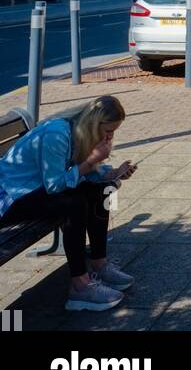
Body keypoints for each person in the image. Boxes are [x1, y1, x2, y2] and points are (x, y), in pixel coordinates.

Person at [0, 93, 138, 311]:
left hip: (34, 191)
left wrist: (111, 173)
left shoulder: (78, 133)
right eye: (109, 131)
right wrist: (92, 160)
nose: (110, 137)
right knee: (73, 203)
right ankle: (80, 286)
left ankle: (99, 264)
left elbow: (81, 173)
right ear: (94, 124)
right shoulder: (58, 134)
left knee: (101, 191)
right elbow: (55, 185)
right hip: (10, 197)